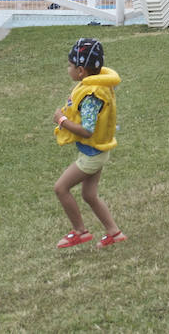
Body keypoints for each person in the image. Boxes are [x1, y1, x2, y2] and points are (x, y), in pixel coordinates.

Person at [52, 37, 126, 249]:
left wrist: (62, 121)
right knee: (89, 194)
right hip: (96, 151)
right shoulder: (95, 85)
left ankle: (80, 231)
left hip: (92, 155)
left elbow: (87, 130)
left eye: (70, 65)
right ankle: (114, 233)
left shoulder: (92, 95)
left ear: (81, 71)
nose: (68, 69)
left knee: (61, 188)